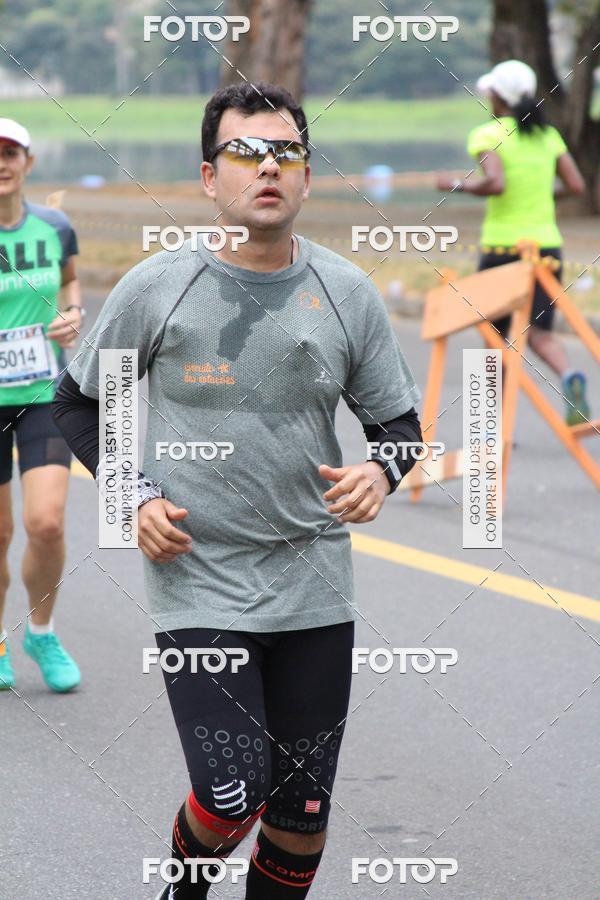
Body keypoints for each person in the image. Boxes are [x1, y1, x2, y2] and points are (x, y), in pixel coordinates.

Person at [52, 82, 422, 899]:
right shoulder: (160, 286)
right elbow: (79, 402)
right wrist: (132, 493)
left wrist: (380, 471)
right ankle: (185, 887)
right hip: (201, 576)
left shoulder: (347, 292)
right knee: (231, 793)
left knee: (300, 815)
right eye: (245, 153)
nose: (268, 168)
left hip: (315, 585)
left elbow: (401, 427)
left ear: (307, 176)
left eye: (286, 152)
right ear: (209, 177)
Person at [436, 59, 590, 425]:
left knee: (493, 339)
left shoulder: (487, 135)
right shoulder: (547, 136)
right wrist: (540, 193)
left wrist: (455, 184)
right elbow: (577, 186)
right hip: (547, 249)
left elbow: (496, 183)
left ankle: (491, 425)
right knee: (540, 334)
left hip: (504, 249)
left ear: (497, 96)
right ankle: (569, 377)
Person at [0, 118, 82, 692]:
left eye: (10, 153)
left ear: (28, 162)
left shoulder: (55, 228)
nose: (1, 164)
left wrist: (72, 315)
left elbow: (72, 283)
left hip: (42, 396)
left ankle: (42, 630)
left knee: (46, 524)